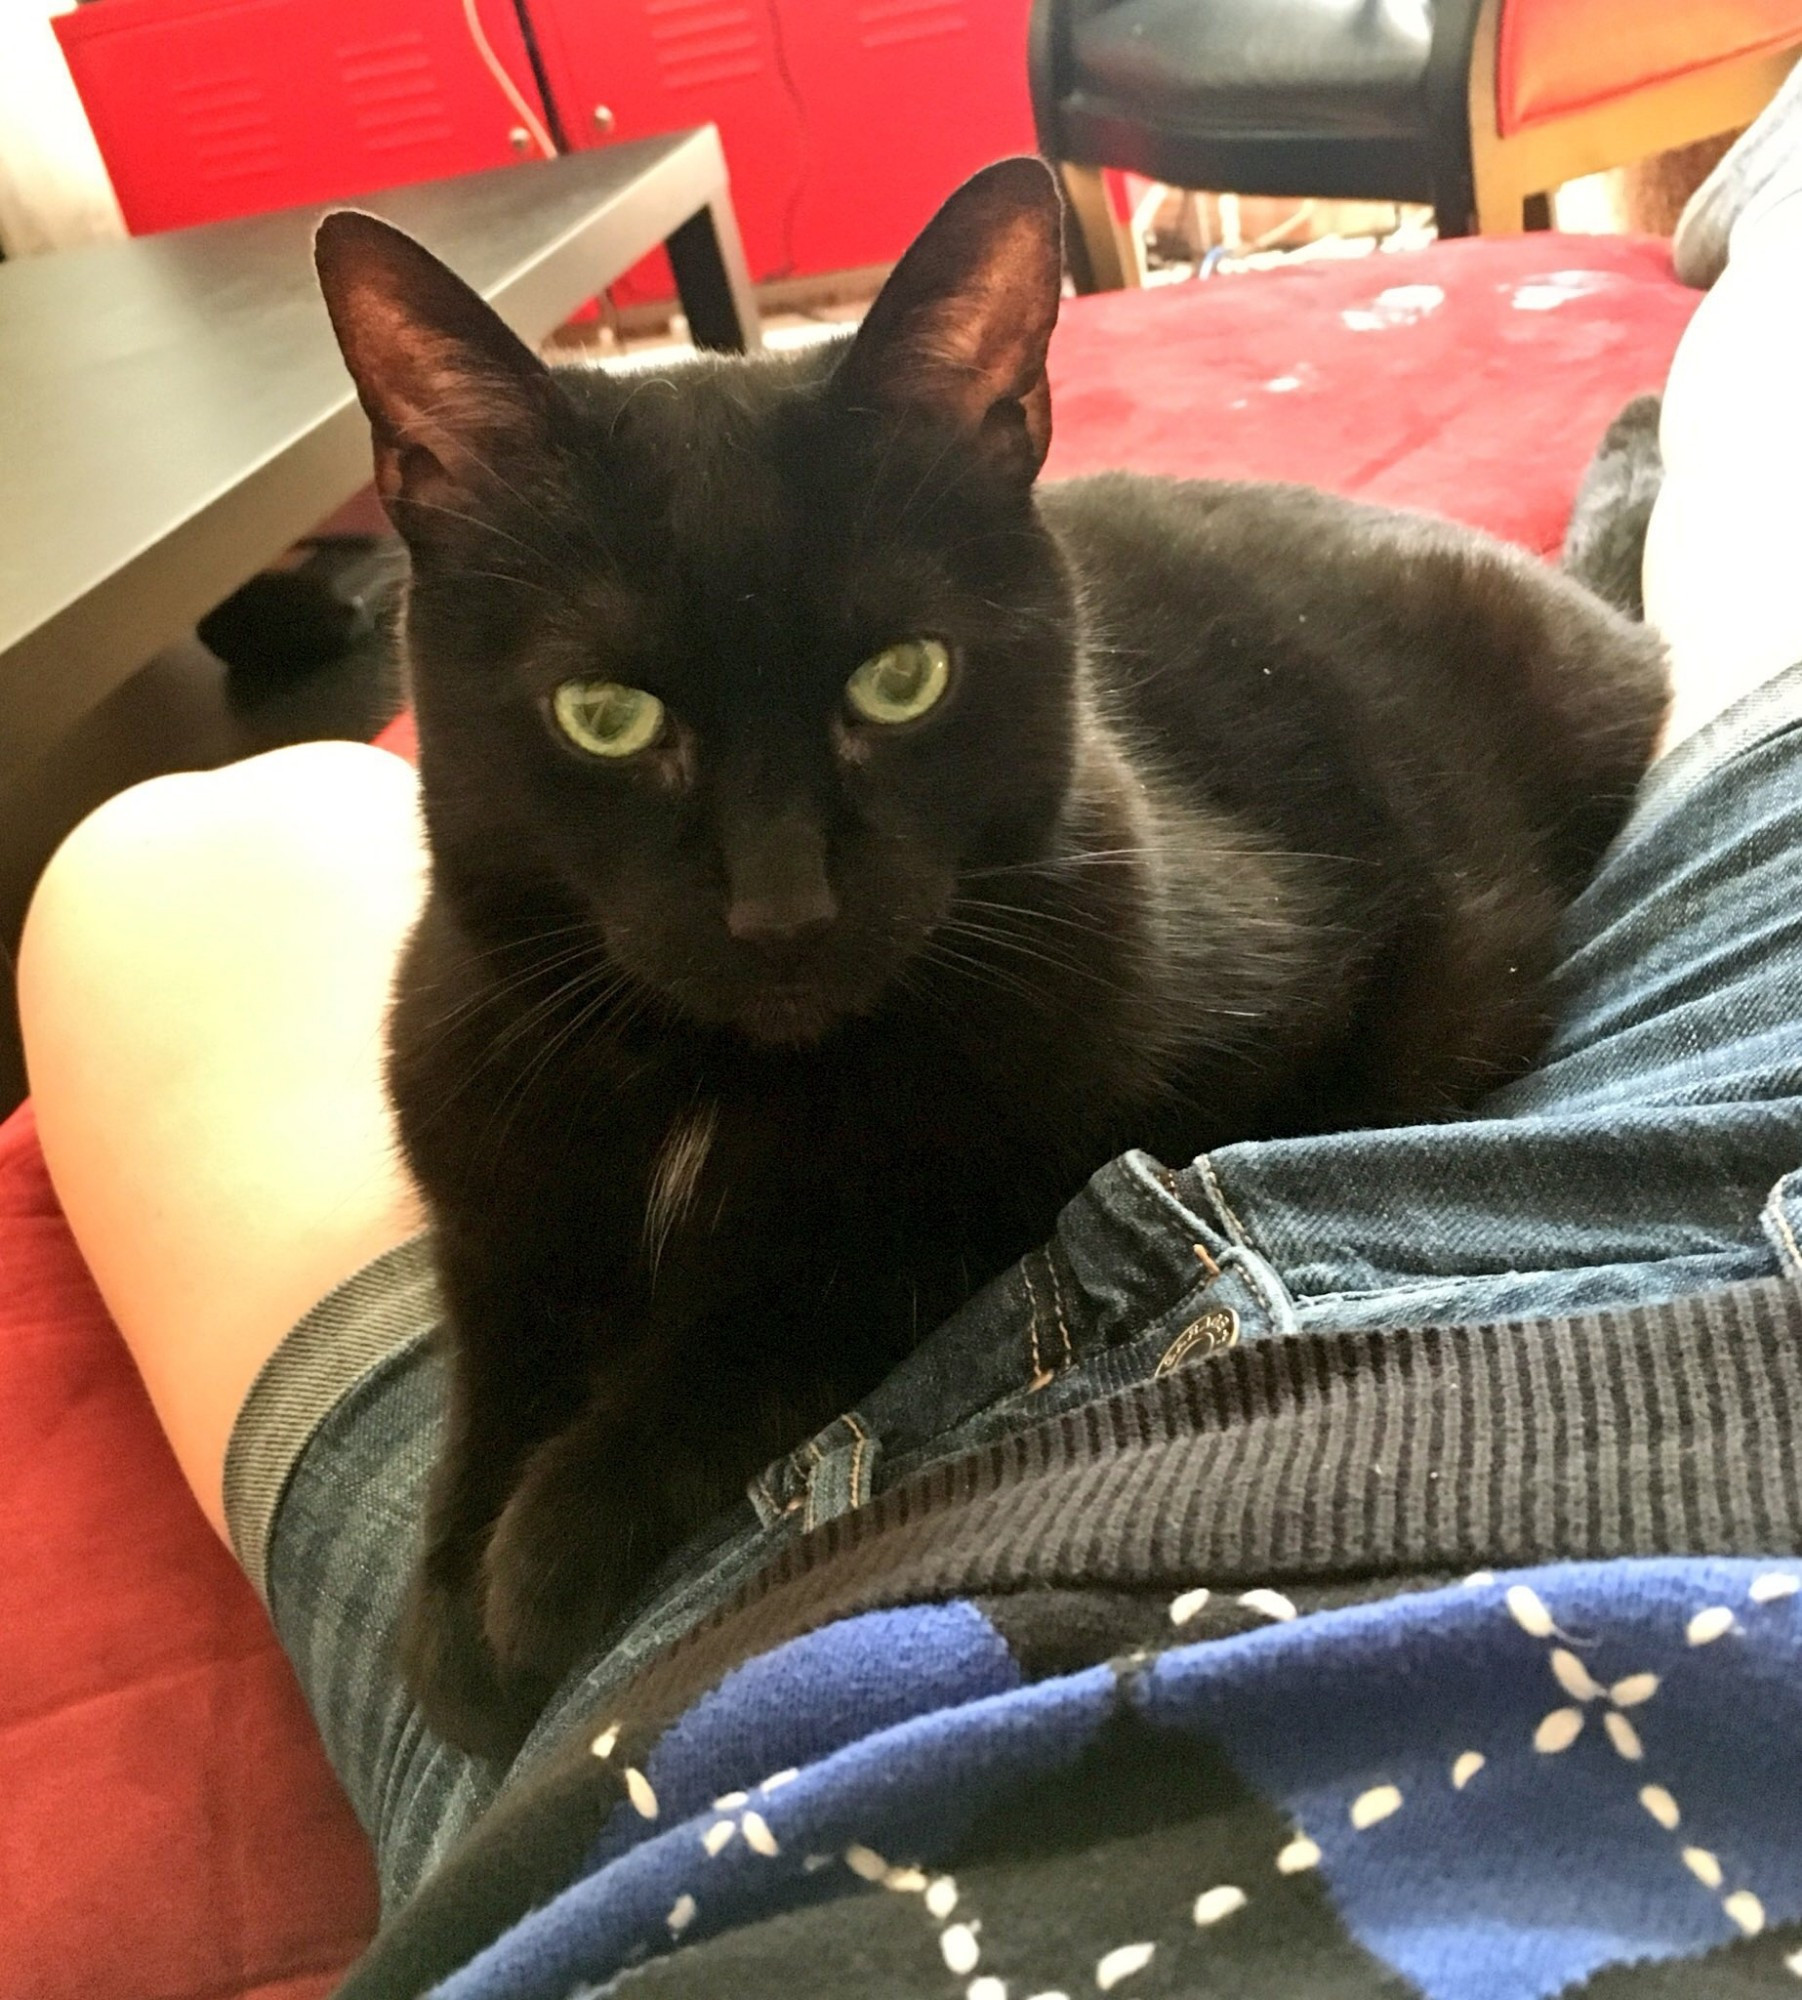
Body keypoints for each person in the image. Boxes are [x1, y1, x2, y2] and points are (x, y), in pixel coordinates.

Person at [20, 119, 1802, 1998]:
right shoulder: (496, 1026)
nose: (778, 899)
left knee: (161, 875)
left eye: (895, 690)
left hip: (662, 1736)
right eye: (614, 719)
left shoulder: (1076, 949)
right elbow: (521, 1266)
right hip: (1672, 1231)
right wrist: (517, 1450)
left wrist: (685, 1424)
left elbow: (1328, 997)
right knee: (154, 844)